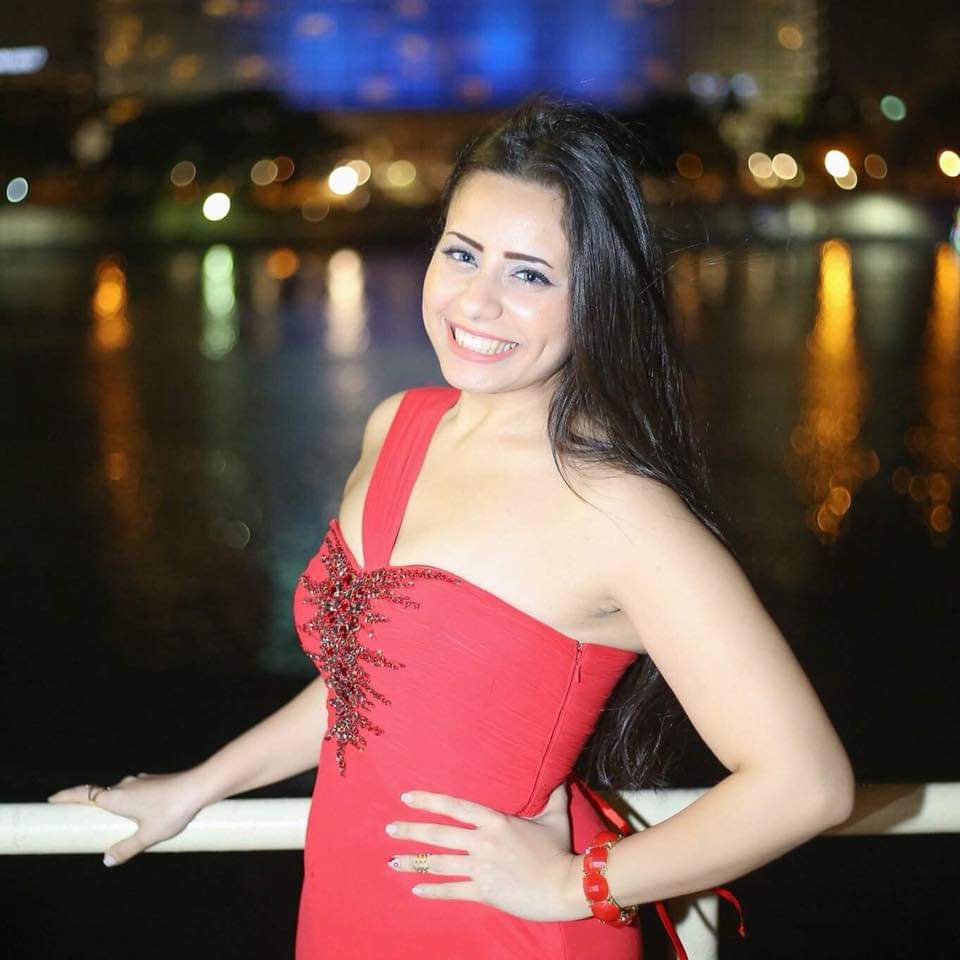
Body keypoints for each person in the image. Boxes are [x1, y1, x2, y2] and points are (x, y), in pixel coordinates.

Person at [49, 94, 855, 958]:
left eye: (529, 275)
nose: (477, 301)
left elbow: (806, 783)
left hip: (502, 928)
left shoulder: (616, 508)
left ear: (598, 299)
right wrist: (198, 786)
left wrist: (573, 884)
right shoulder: (400, 426)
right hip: (347, 906)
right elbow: (370, 688)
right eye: (462, 253)